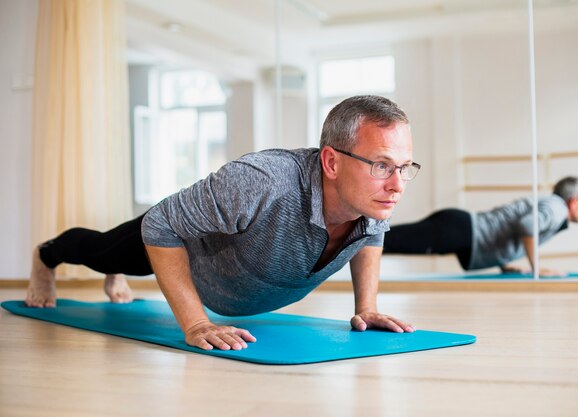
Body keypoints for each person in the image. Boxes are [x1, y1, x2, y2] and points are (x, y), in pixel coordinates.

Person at [25, 95, 421, 351]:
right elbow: (161, 225)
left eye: (404, 167)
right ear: (332, 162)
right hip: (182, 243)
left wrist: (366, 307)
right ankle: (45, 257)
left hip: (226, 275)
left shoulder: (371, 198)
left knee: (113, 260)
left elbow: (369, 237)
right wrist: (196, 323)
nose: (397, 184)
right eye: (382, 165)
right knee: (98, 250)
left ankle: (114, 270)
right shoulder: (263, 181)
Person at [383, 176, 578, 276]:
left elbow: (510, 226)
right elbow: (527, 225)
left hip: (462, 231)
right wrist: (537, 270)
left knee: (385, 242)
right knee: (383, 241)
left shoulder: (552, 207)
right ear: (574, 201)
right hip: (460, 230)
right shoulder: (557, 208)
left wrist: (505, 262)